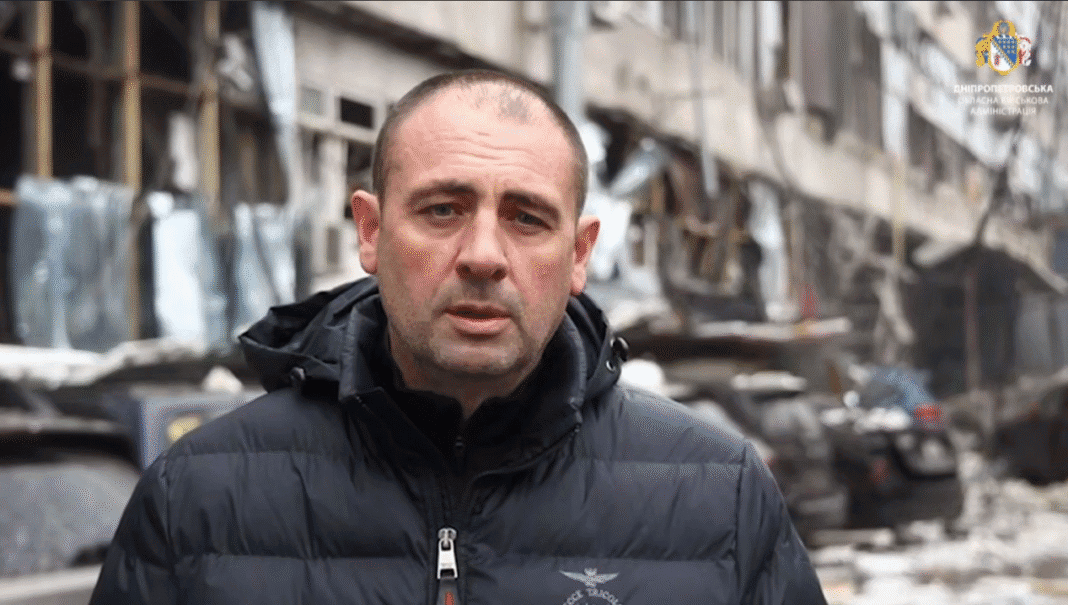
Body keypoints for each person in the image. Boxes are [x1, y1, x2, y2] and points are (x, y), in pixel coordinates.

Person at [90, 70, 827, 605]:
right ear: (372, 232)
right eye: (443, 210)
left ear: (578, 254)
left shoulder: (720, 500)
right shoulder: (199, 496)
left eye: (527, 217)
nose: (482, 253)